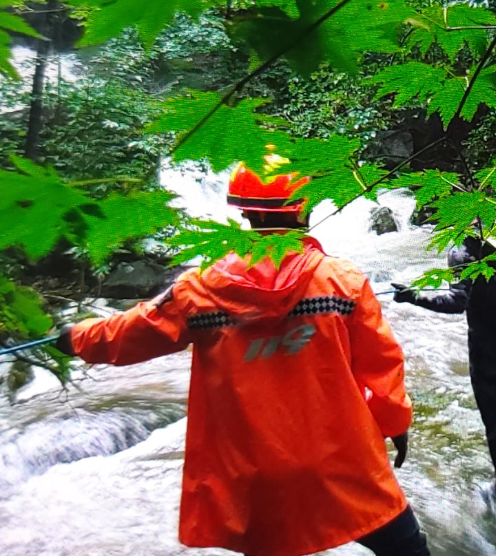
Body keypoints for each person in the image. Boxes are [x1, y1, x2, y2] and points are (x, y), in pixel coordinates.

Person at [55, 156, 430, 556]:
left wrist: (73, 337)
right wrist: (394, 422)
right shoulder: (343, 281)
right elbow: (383, 367)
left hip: (251, 472)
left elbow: (132, 332)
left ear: (245, 212)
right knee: (405, 547)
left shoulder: (199, 289)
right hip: (341, 463)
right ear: (305, 207)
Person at [392, 234, 496, 506]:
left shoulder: (461, 250)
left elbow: (456, 302)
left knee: (494, 417)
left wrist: (413, 297)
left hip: (488, 337)